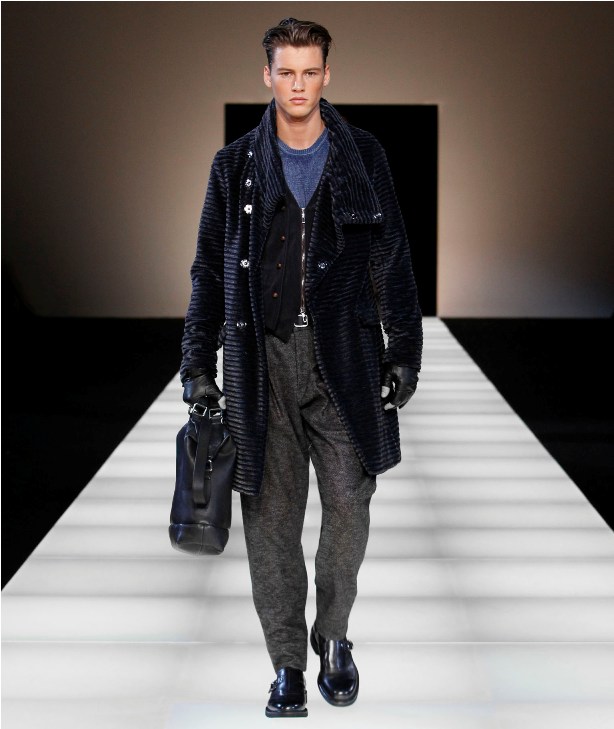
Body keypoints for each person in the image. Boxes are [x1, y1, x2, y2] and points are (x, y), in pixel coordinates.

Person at [180, 17, 423, 718]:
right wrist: (198, 366)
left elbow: (391, 256)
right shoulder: (233, 166)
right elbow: (208, 270)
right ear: (267, 75)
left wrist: (403, 352)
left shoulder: (362, 155)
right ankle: (287, 662)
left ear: (326, 75)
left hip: (344, 356)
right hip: (260, 362)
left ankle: (333, 634)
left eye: (309, 72)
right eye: (286, 72)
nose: (297, 85)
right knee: (270, 517)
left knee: (350, 503)